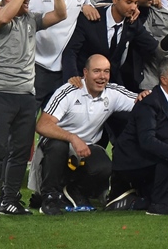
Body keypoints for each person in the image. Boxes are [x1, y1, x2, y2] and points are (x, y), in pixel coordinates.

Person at [0, 0, 67, 218]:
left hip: (27, 94)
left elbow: (60, 14)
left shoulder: (31, 19)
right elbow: (2, 18)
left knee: (20, 151)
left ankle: (9, 200)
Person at [34, 55, 138, 215]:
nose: (102, 77)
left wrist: (147, 96)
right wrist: (73, 138)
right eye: (97, 71)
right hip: (55, 150)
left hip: (86, 150)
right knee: (58, 146)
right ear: (85, 73)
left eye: (106, 71)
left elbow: (140, 101)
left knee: (104, 166)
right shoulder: (68, 91)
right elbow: (42, 125)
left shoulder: (112, 92)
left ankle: (74, 191)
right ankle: (49, 198)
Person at [110, 57, 168, 215]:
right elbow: (147, 141)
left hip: (152, 164)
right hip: (131, 163)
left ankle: (136, 198)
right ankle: (158, 205)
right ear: (164, 80)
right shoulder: (149, 103)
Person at [61, 0, 160, 92]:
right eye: (129, 2)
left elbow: (153, 47)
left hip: (112, 84)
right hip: (84, 82)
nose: (133, 8)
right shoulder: (90, 18)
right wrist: (73, 76)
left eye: (136, 3)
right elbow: (71, 51)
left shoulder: (132, 22)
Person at [30, 0, 92, 111]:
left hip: (64, 71)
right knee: (26, 124)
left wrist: (87, 5)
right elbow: (6, 1)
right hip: (36, 67)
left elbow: (90, 2)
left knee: (57, 125)